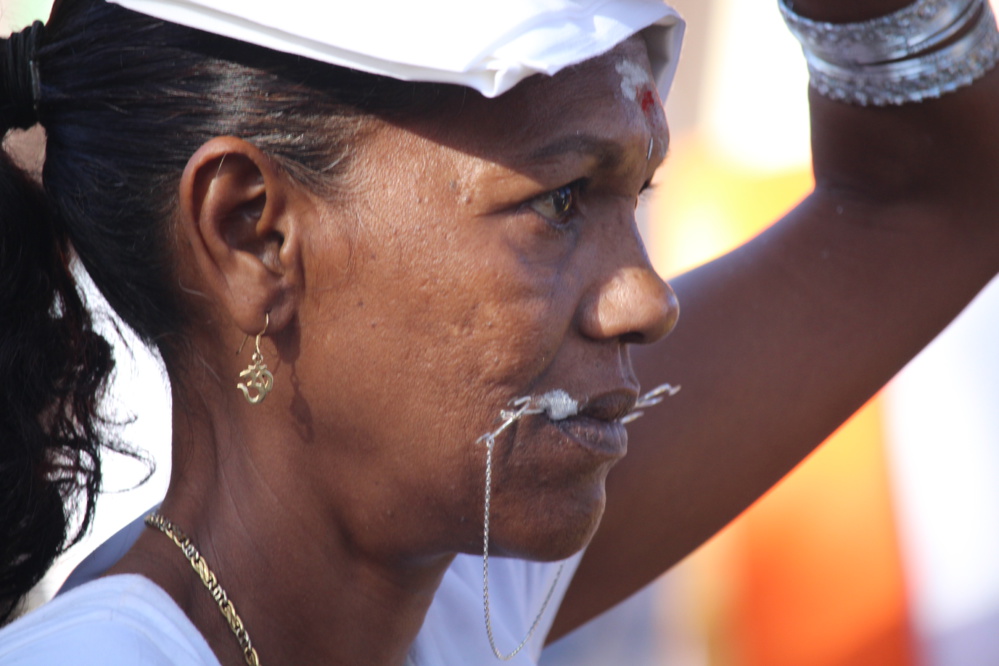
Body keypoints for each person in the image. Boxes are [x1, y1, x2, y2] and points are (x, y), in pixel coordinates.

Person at [1, 0, 998, 664]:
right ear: (251, 233)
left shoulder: (455, 585)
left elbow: (929, 202)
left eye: (635, 193)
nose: (645, 299)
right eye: (560, 202)